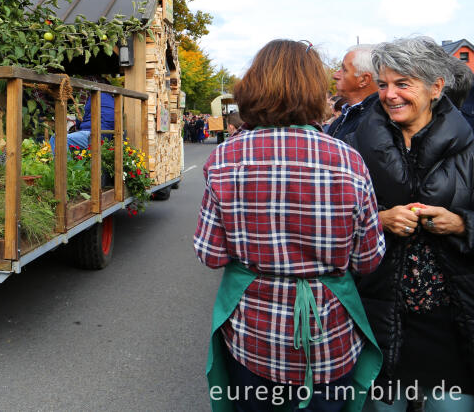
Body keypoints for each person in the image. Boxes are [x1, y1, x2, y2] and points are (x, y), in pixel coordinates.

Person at [194, 40, 385, 410]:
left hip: (255, 338)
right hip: (329, 339)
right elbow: (368, 259)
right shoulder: (348, 160)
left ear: (255, 85)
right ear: (315, 90)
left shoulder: (225, 158)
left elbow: (211, 254)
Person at [346, 37, 474, 408]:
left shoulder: (470, 146)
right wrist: (377, 220)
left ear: (436, 87)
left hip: (452, 323)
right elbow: (327, 224)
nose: (389, 95)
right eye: (383, 84)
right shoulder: (352, 144)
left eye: (403, 84)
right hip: (377, 316)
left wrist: (462, 223)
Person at [326, 44, 380, 140]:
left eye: (344, 70)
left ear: (364, 80)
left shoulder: (374, 124)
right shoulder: (346, 116)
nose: (335, 75)